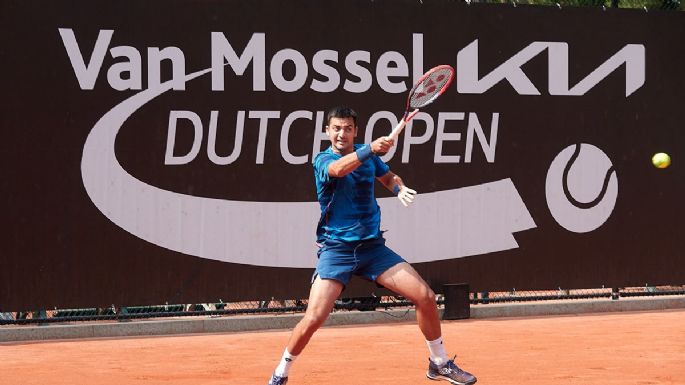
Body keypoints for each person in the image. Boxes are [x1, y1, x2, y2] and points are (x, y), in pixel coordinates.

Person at [267, 106, 477, 385]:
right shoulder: (322, 159)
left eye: (348, 128)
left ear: (355, 131)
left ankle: (439, 362)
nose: (342, 133)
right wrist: (370, 150)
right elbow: (339, 169)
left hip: (373, 249)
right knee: (315, 317)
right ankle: (281, 372)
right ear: (327, 131)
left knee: (425, 297)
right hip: (337, 250)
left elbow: (388, 176)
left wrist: (398, 188)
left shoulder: (369, 156)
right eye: (337, 128)